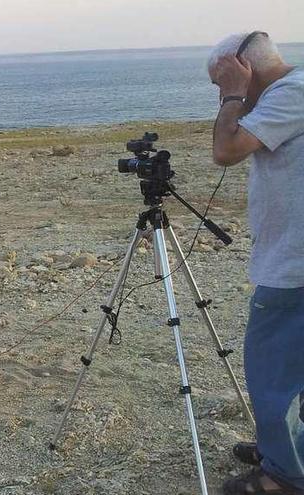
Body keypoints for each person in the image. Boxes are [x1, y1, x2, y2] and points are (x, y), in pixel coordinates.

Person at [208, 31, 304, 495]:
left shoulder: (291, 92)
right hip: (294, 260)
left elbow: (225, 151)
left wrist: (232, 95)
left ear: (244, 67)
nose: (218, 93)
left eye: (219, 80)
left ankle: (282, 477)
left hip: (293, 268)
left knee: (272, 375)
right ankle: (286, 451)